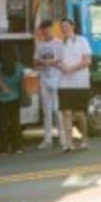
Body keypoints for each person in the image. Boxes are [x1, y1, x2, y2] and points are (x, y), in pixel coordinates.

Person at [58, 18, 93, 152]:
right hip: (64, 83)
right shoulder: (60, 43)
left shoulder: (82, 40)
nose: (64, 29)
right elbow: (58, 61)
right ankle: (69, 143)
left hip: (80, 83)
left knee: (79, 114)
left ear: (73, 26)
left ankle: (85, 139)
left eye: (66, 26)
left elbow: (88, 60)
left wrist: (72, 68)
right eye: (62, 26)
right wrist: (60, 66)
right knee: (66, 113)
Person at [34, 20, 64, 150]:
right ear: (41, 31)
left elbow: (62, 59)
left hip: (57, 78)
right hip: (44, 78)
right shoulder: (40, 45)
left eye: (48, 30)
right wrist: (42, 62)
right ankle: (48, 139)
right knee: (47, 109)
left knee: (57, 109)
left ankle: (63, 137)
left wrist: (50, 62)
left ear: (52, 29)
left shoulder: (59, 43)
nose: (46, 32)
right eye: (44, 30)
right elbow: (35, 60)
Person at [0, 49, 25, 154]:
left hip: (1, 98)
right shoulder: (19, 67)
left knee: (2, 124)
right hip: (15, 98)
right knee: (15, 123)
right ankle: (17, 147)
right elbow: (21, 82)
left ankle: (3, 149)